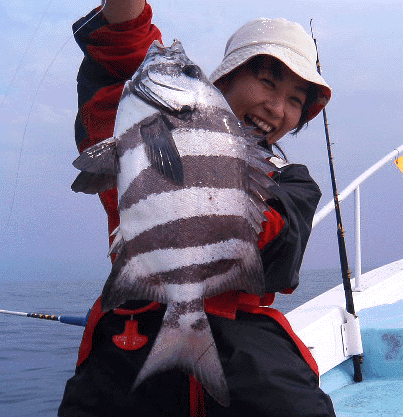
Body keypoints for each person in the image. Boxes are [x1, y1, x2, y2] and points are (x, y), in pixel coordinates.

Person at [58, 1, 336, 416]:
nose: (277, 108)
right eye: (266, 82)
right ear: (222, 81)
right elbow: (125, 44)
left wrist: (215, 188)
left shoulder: (293, 182)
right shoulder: (145, 123)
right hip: (133, 325)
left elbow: (279, 253)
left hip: (246, 342)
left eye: (295, 100)